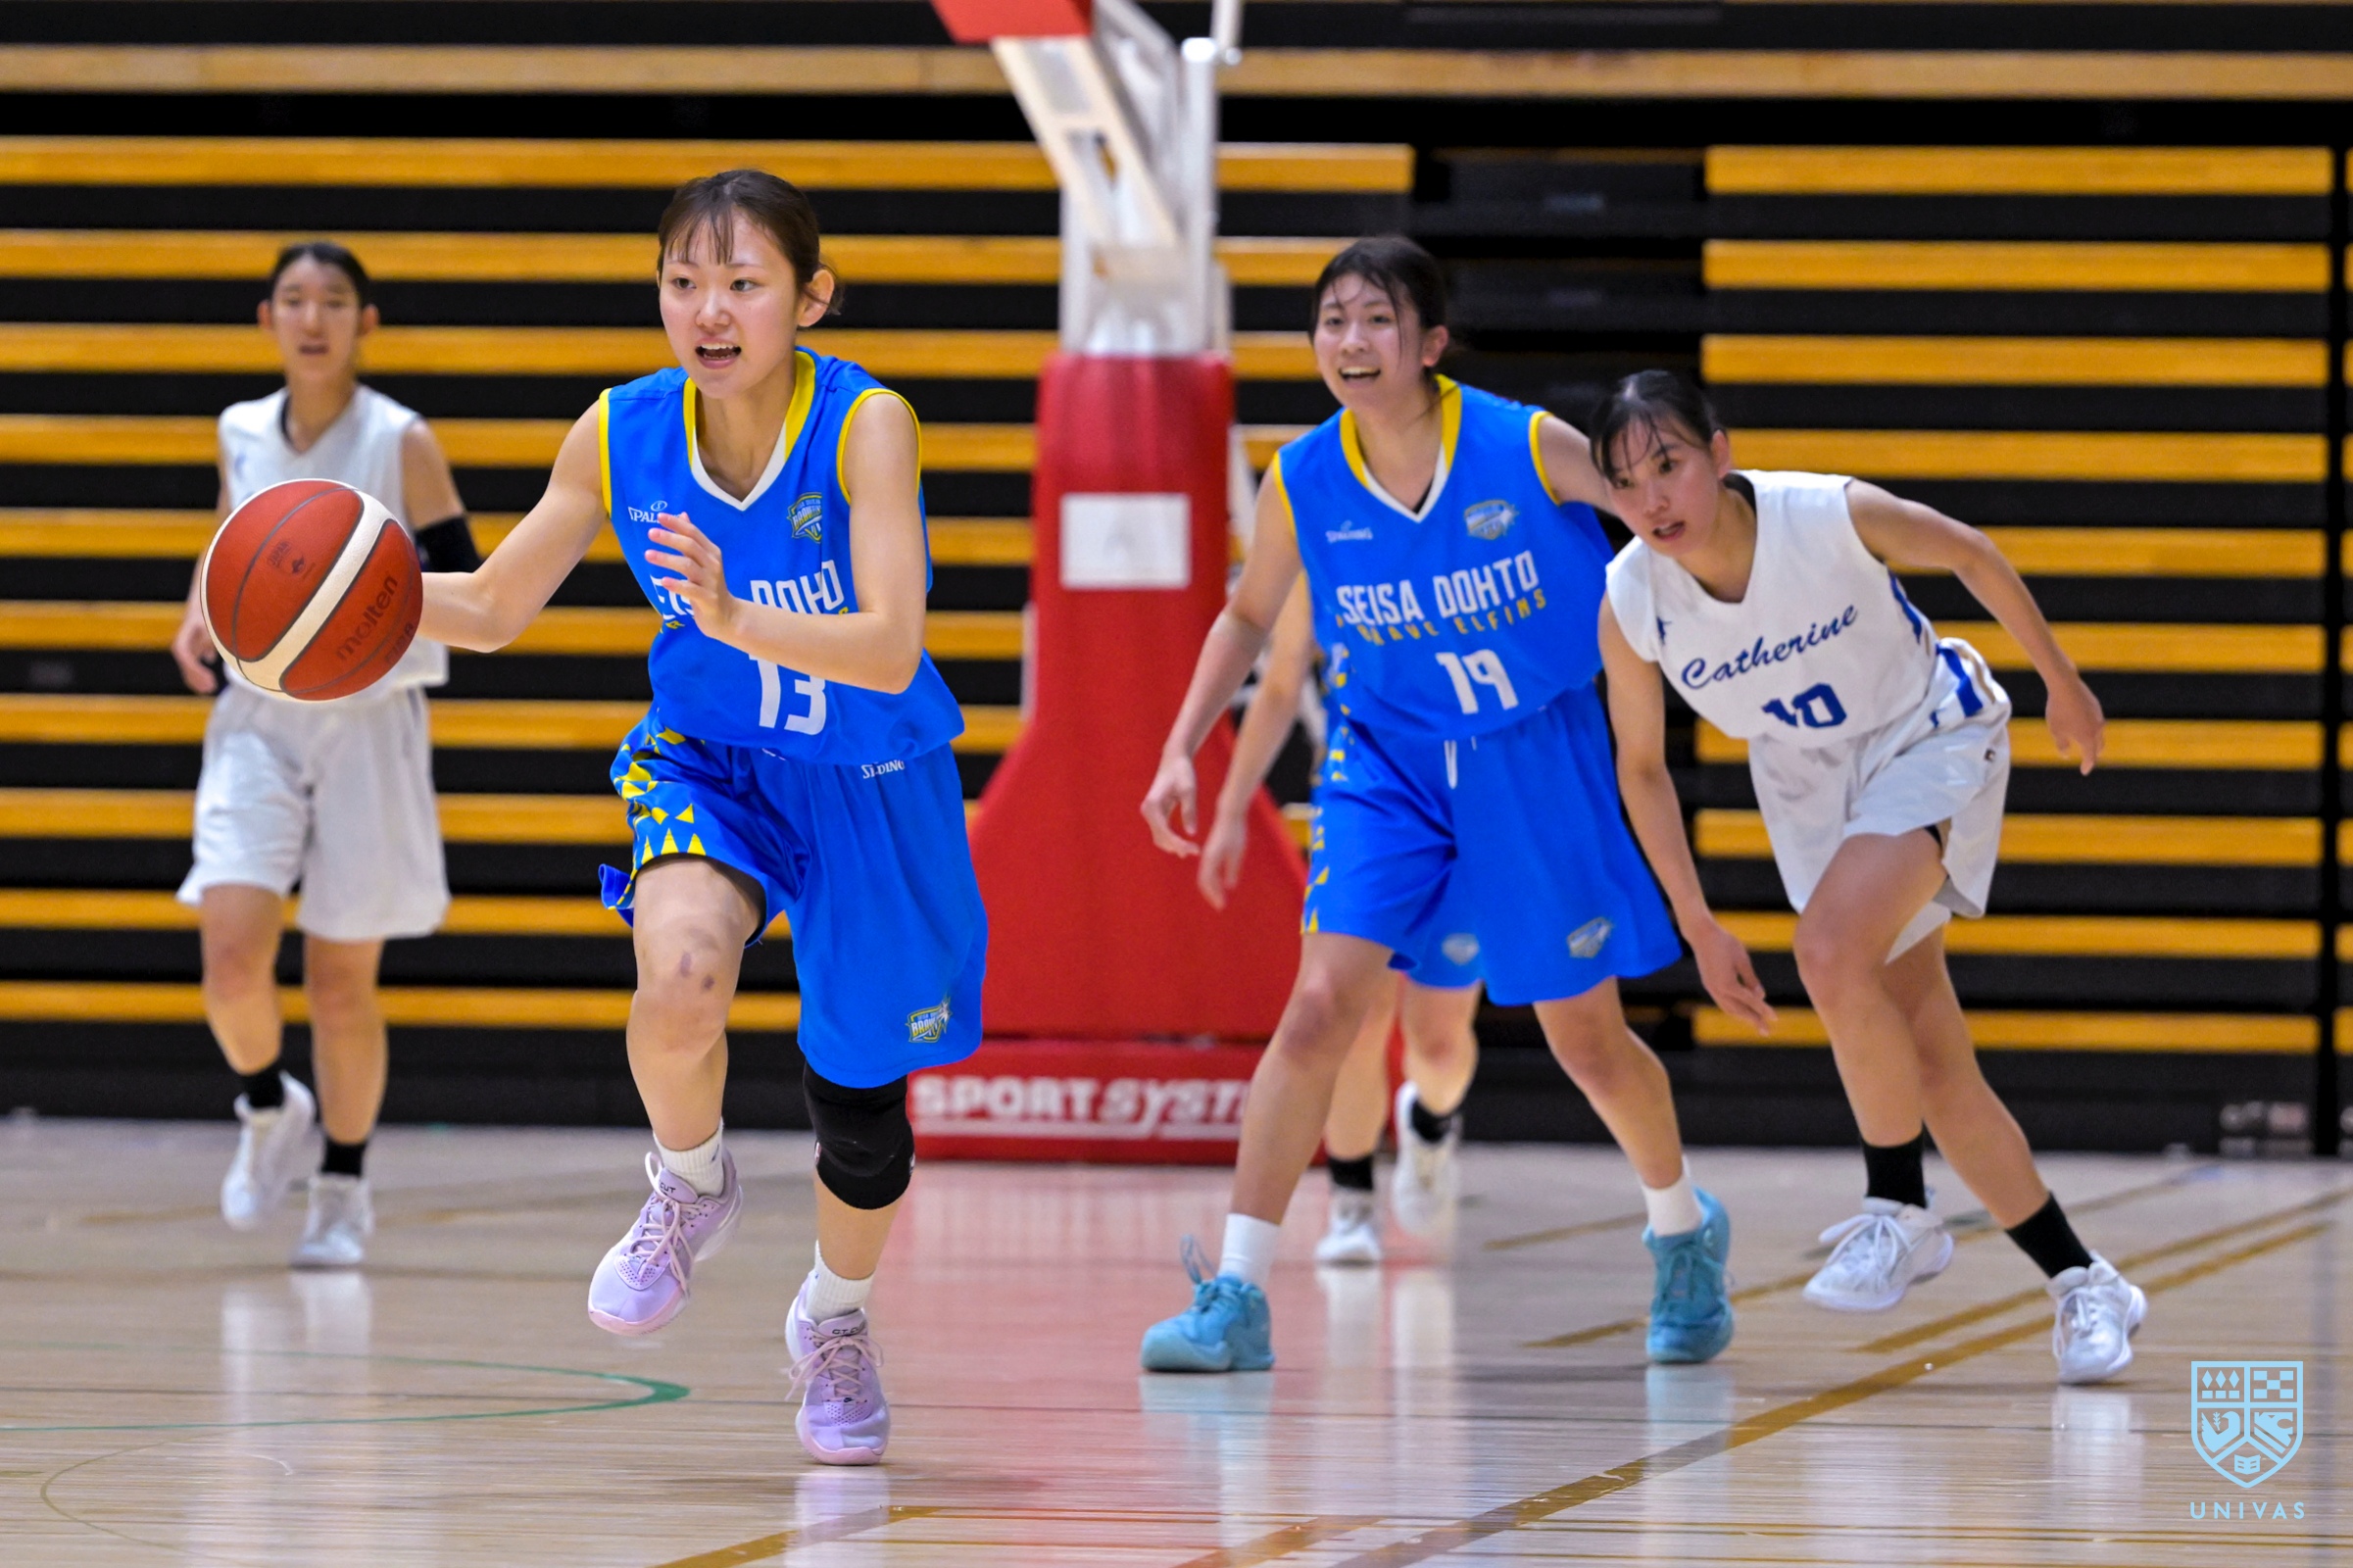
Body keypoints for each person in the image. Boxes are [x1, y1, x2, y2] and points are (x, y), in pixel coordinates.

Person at [415, 170, 987, 1463]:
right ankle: (690, 1180)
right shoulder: (619, 429)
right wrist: (358, 595)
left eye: (742, 283)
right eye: (683, 283)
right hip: (711, 761)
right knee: (677, 971)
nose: (708, 311)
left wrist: (733, 615)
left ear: (810, 299)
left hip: (871, 777)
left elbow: (891, 646)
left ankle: (834, 1318)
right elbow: (494, 607)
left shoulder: (867, 425)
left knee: (861, 1112)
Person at [1138, 236, 1735, 1373]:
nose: (1350, 341)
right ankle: (1237, 1292)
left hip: (1533, 753)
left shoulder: (1525, 444)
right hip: (1388, 760)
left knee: (1585, 1039)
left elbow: (1660, 513)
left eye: (1376, 319)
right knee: (1319, 1007)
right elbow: (1249, 616)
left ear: (1430, 343)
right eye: (1332, 321)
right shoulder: (1303, 477)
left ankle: (1682, 1230)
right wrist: (1181, 746)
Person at [1590, 368, 2146, 1385]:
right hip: (1809, 791)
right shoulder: (1632, 597)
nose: (1651, 498)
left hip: (1924, 731)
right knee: (1930, 1062)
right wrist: (1696, 921)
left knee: (1827, 950)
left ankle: (1898, 1205)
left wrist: (2060, 680)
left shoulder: (1822, 513)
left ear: (1719, 452)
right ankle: (2084, 1281)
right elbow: (1639, 768)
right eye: (1625, 482)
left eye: (1667, 465)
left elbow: (1969, 551)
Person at [170, 241, 476, 1269]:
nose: (313, 319)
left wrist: (357, 609)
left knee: (342, 984)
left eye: (334, 301)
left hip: (370, 719)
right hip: (257, 722)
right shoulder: (239, 429)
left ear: (364, 322)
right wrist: (201, 611)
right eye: (294, 301)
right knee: (229, 961)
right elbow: (234, 541)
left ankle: (342, 1187)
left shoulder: (402, 440)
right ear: (268, 319)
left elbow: (466, 580)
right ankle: (268, 1103)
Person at [1196, 577, 1481, 1263]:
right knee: (1348, 1015)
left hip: (1471, 798)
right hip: (1368, 806)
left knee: (1438, 1042)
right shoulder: (1324, 534)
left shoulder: (1467, 538)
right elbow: (1280, 683)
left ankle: (1431, 1122)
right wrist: (1231, 809)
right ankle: (1351, 1204)